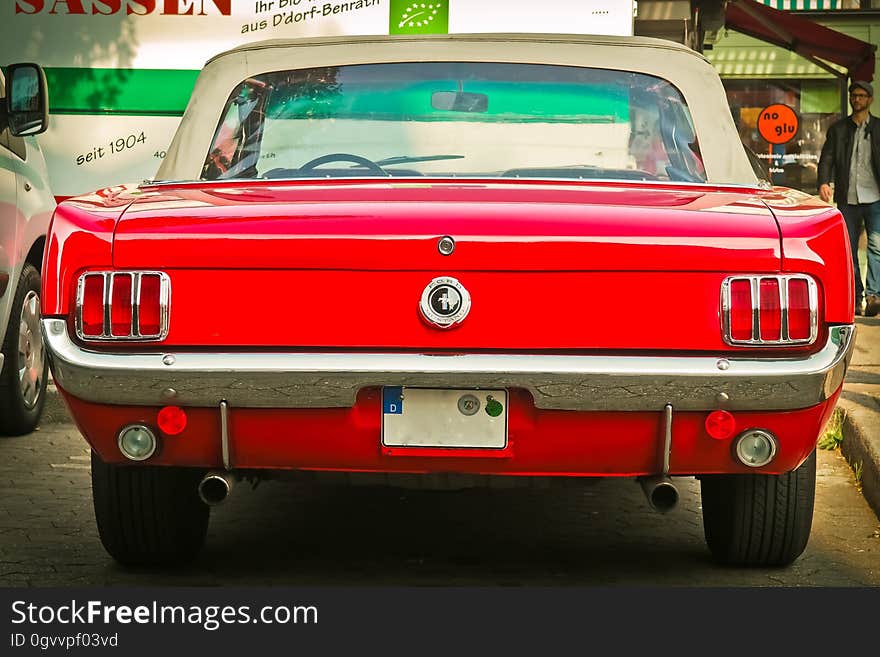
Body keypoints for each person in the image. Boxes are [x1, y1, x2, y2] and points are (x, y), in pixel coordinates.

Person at [818, 80, 880, 316]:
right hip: (848, 197)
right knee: (849, 249)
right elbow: (827, 158)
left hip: (874, 196)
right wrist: (824, 181)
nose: (857, 99)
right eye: (854, 95)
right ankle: (855, 296)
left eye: (862, 96)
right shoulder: (839, 129)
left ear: (870, 99)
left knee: (876, 246)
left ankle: (874, 296)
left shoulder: (878, 128)